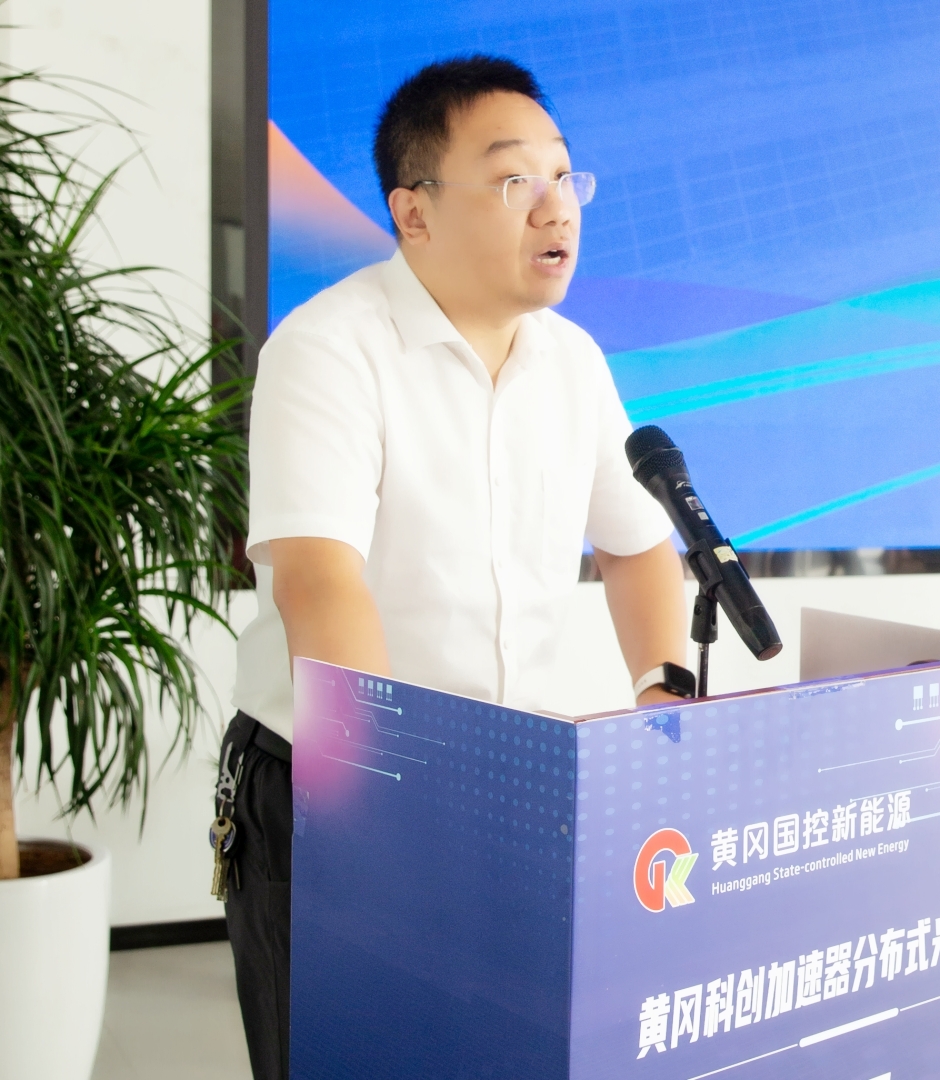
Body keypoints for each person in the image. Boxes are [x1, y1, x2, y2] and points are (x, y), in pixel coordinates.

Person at [216, 55, 694, 1080]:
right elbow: (320, 583)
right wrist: (398, 794)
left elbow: (638, 541)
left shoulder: (571, 361)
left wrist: (662, 693)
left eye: (564, 176)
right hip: (335, 786)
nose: (555, 206)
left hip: (513, 787)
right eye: (515, 178)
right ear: (415, 211)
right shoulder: (330, 347)